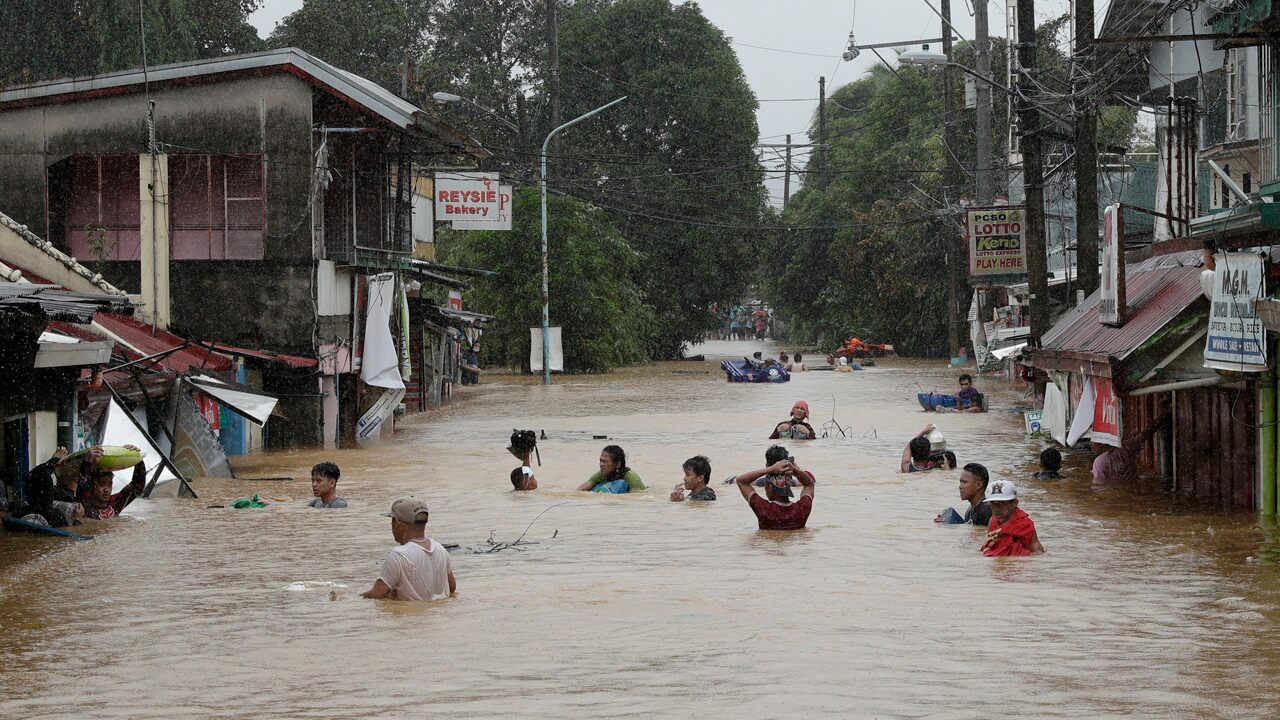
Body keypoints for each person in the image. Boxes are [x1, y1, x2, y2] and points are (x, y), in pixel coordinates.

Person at [362, 497, 456, 601]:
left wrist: (353, 596)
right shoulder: (441, 549)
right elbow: (452, 587)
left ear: (397, 523)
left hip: (413, 616)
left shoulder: (398, 555)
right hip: (439, 614)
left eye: (392, 521)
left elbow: (377, 595)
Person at [733, 446, 815, 530]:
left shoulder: (764, 510)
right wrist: (795, 471)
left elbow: (740, 481)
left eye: (766, 486)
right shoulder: (802, 509)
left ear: (770, 486)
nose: (765, 490)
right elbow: (809, 484)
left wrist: (769, 469)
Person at [1092, 414, 1169, 485]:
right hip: (1135, 486)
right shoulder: (1126, 447)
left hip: (1121, 492)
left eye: (1093, 442)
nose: (1091, 445)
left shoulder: (1098, 462)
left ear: (1100, 443)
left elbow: (1099, 486)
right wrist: (1162, 418)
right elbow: (1145, 434)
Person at [980, 480, 1045, 556]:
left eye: (1002, 504)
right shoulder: (993, 520)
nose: (997, 509)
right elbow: (988, 546)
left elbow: (1038, 552)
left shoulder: (1023, 524)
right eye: (993, 504)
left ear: (1014, 504)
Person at [80, 458, 146, 520]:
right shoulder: (85, 504)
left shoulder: (115, 503)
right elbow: (83, 482)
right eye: (102, 485)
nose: (107, 490)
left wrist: (137, 459)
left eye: (109, 485)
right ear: (92, 486)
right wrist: (87, 461)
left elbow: (137, 485)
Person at [577, 445, 645, 493]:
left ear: (618, 464)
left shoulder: (631, 477)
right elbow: (580, 490)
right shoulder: (601, 474)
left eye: (605, 462)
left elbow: (638, 498)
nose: (601, 465)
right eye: (600, 461)